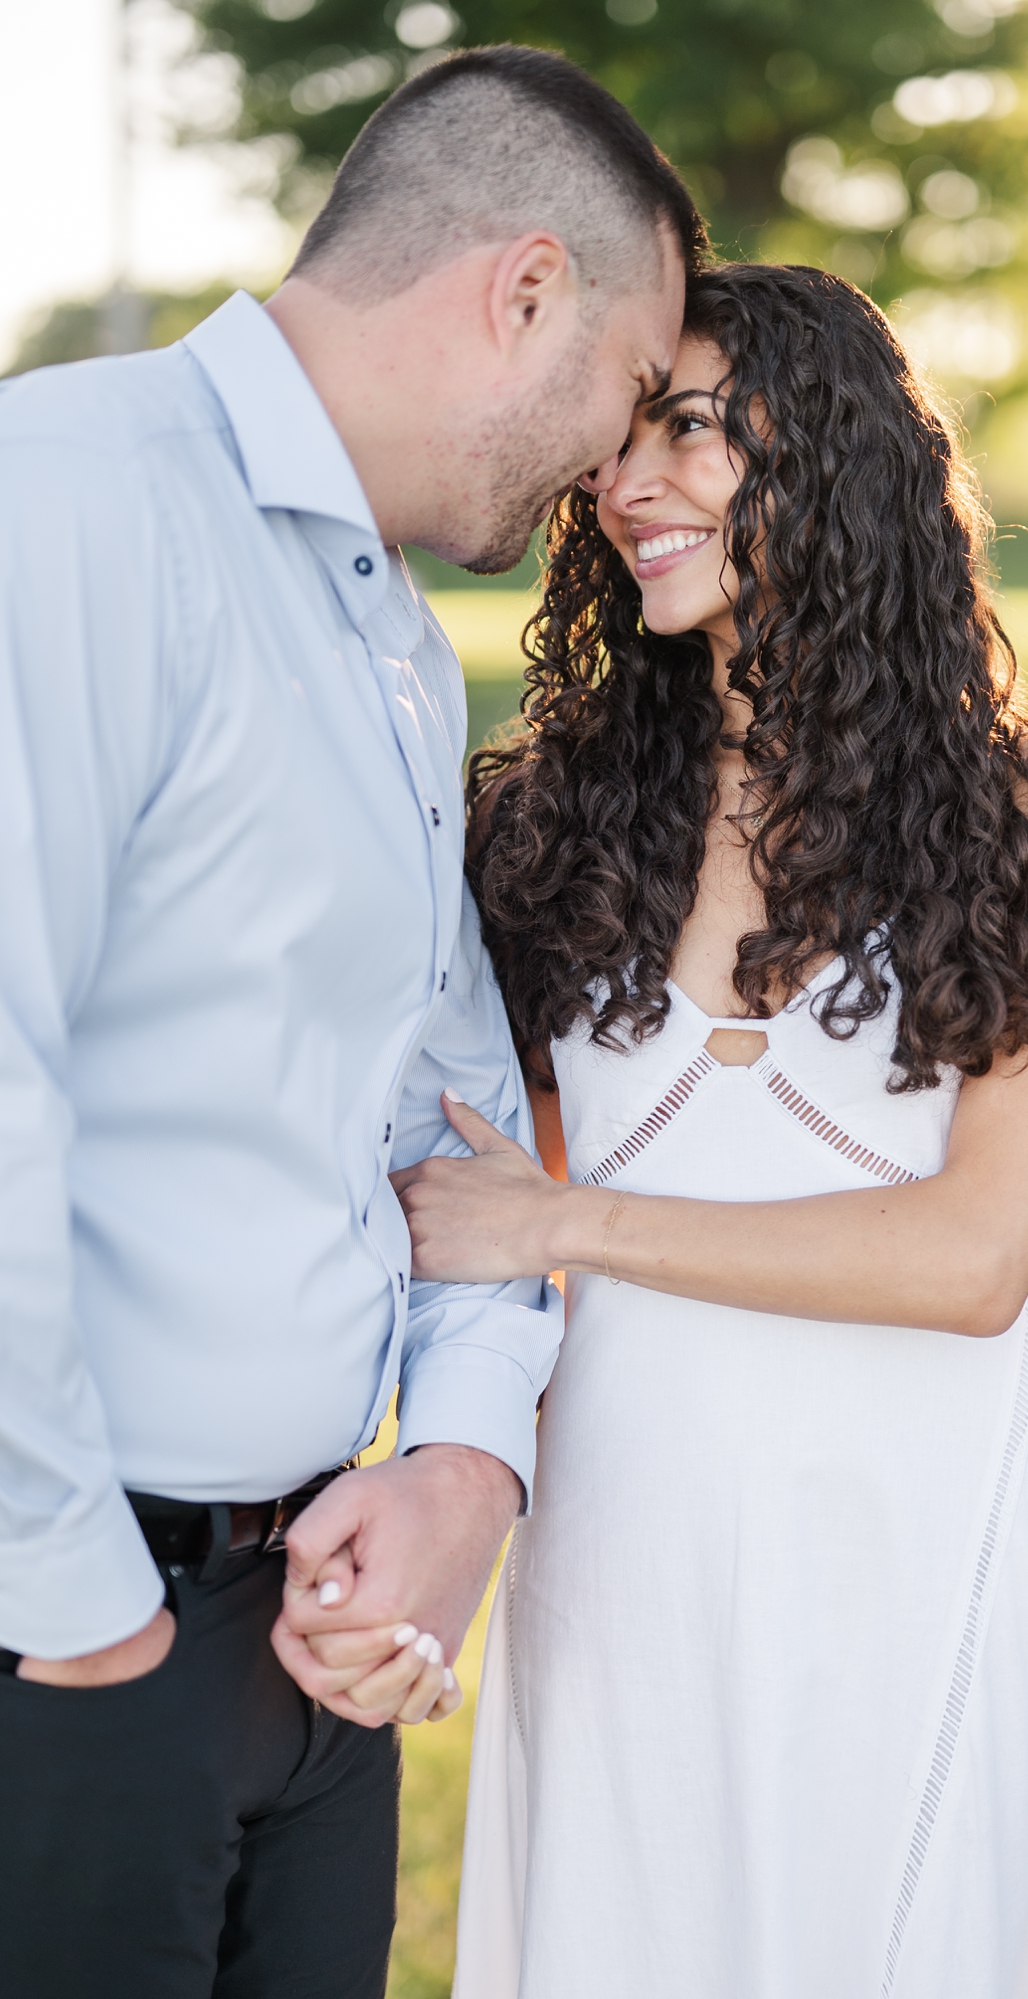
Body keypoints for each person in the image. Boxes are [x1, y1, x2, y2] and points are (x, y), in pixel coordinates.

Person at [0, 44, 699, 1999]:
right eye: (629, 398)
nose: (616, 472)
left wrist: (464, 1462)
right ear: (526, 289)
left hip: (316, 1644)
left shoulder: (392, 633)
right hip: (71, 1634)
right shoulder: (63, 508)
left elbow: (456, 1113)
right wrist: (75, 1614)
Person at [396, 263, 1028, 1997]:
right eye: (615, 442)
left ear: (828, 453)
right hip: (626, 1540)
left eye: (686, 430)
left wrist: (574, 1226)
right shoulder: (543, 825)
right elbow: (467, 1197)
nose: (627, 484)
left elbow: (974, 1260)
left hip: (916, 1528)